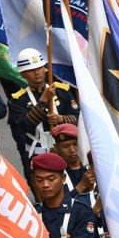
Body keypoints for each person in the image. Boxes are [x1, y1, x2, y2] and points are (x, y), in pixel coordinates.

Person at [8, 48, 79, 193]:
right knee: (45, 192)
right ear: (23, 74)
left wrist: (62, 119)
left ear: (45, 69)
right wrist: (43, 101)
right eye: (31, 70)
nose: (37, 73)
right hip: (38, 153)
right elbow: (25, 126)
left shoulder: (62, 91)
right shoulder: (19, 99)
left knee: (73, 188)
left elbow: (79, 118)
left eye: (39, 68)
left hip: (65, 151)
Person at [51, 123, 89, 195]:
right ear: (56, 148)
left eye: (75, 144)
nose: (72, 150)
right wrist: (82, 186)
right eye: (66, 146)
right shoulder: (55, 173)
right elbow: (61, 203)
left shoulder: (92, 166)